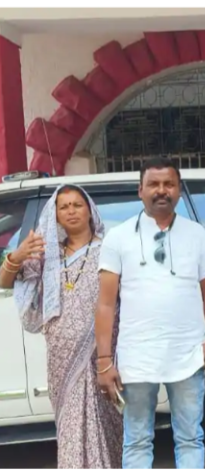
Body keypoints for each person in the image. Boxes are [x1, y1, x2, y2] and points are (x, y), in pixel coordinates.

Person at [94, 157, 205, 469]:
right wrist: (104, 360)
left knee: (190, 437)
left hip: (188, 354)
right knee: (137, 440)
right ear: (140, 190)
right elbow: (106, 303)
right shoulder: (118, 237)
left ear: (178, 190)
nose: (161, 190)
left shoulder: (197, 234)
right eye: (153, 184)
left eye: (169, 184)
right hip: (137, 358)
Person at [0, 184, 122, 468]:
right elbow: (5, 282)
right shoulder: (46, 255)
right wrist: (16, 256)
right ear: (55, 214)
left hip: (101, 352)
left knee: (107, 425)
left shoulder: (109, 250)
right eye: (63, 206)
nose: (70, 211)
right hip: (61, 358)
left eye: (77, 205)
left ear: (90, 210)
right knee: (70, 425)